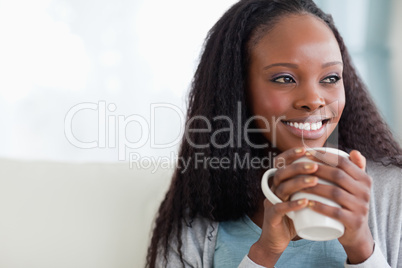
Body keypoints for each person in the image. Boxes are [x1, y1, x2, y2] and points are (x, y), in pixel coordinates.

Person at [146, 0, 402, 267]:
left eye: (330, 78)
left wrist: (361, 247)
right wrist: (265, 252)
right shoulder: (198, 214)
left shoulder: (394, 194)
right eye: (284, 79)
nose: (313, 100)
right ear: (237, 89)